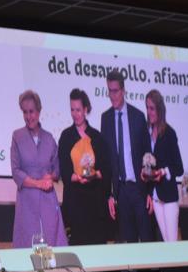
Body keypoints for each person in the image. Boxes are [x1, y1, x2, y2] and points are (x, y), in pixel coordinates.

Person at [101, 69, 153, 242]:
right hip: (121, 192)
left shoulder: (138, 117)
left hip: (139, 189)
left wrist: (150, 192)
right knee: (127, 244)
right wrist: (109, 194)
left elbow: (148, 156)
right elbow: (106, 161)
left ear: (123, 91)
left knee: (146, 241)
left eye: (115, 91)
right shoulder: (105, 118)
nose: (112, 95)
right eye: (109, 90)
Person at [11, 90, 67, 248]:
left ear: (39, 111)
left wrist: (51, 177)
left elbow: (57, 168)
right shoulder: (17, 136)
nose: (29, 116)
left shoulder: (49, 138)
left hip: (48, 201)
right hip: (27, 201)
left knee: (52, 246)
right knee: (28, 247)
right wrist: (38, 184)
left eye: (32, 111)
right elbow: (16, 172)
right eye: (25, 112)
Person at [58, 88, 111, 245]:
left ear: (86, 109)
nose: (75, 114)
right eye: (72, 110)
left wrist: (95, 175)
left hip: (95, 203)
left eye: (78, 110)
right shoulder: (66, 136)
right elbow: (64, 170)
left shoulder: (97, 137)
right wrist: (77, 178)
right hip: (75, 203)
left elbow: (106, 169)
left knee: (97, 250)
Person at [145, 89, 184, 242]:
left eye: (152, 108)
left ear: (160, 109)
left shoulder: (169, 133)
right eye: (147, 108)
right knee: (166, 242)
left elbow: (179, 167)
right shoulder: (146, 134)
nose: (149, 112)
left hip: (169, 197)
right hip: (155, 197)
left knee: (172, 243)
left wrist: (164, 171)